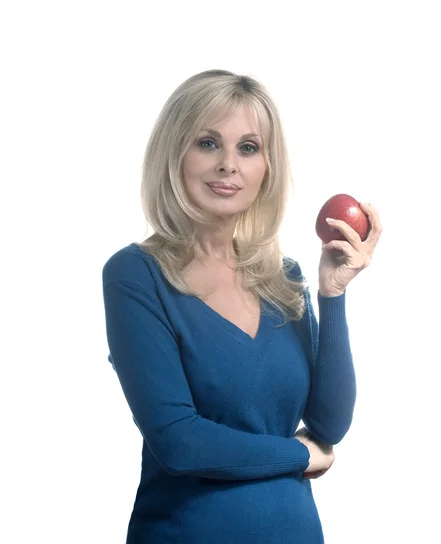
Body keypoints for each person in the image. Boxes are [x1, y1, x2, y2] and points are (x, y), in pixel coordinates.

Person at [101, 69, 382, 543]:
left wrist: (332, 295)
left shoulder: (283, 277)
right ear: (175, 154)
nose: (228, 164)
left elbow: (329, 424)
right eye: (207, 143)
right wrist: (299, 456)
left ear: (266, 167)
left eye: (248, 148)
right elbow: (180, 443)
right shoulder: (136, 275)